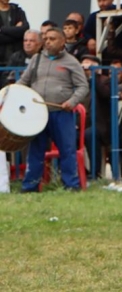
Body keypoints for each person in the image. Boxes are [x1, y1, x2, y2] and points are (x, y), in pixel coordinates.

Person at [17, 27, 89, 192]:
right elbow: (24, 81)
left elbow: (82, 86)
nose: (48, 42)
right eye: (46, 38)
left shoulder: (71, 62)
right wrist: (14, 92)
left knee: (67, 150)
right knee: (36, 151)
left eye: (52, 38)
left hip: (62, 113)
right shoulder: (36, 60)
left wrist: (72, 101)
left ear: (63, 41)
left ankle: (71, 185)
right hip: (38, 113)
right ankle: (30, 187)